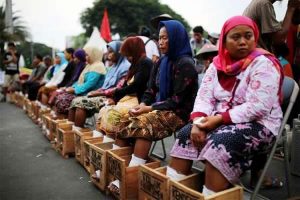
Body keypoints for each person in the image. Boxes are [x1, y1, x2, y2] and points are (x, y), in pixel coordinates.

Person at [167, 16, 283, 196]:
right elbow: (204, 96)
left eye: (248, 36)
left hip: (260, 123)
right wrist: (198, 122)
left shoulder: (264, 64)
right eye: (235, 37)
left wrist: (219, 119)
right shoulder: (216, 64)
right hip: (219, 119)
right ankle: (172, 192)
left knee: (220, 143)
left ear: (255, 37)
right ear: (224, 41)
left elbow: (258, 106)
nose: (243, 42)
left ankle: (211, 192)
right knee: (185, 134)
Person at [106, 20, 198, 195]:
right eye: (160, 38)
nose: (161, 42)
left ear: (177, 38)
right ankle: (116, 171)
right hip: (158, 108)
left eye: (166, 38)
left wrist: (149, 109)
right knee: (126, 119)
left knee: (145, 123)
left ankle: (129, 177)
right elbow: (150, 90)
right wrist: (142, 104)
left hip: (178, 113)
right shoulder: (160, 62)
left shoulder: (186, 64)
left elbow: (177, 100)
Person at [70, 41, 130, 127]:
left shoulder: (125, 67)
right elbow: (105, 86)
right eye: (108, 52)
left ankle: (78, 134)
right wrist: (98, 91)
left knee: (80, 103)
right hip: (104, 95)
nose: (108, 55)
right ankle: (71, 134)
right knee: (75, 102)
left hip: (114, 98)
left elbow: (119, 88)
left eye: (111, 52)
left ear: (118, 52)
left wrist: (98, 93)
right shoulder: (112, 67)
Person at [55, 46, 106, 118]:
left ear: (94, 55)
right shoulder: (89, 65)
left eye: (87, 55)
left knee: (65, 100)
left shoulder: (98, 66)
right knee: (61, 96)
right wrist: (72, 87)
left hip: (91, 93)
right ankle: (64, 124)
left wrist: (75, 90)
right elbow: (79, 81)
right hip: (83, 92)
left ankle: (71, 126)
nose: (85, 57)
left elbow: (90, 84)